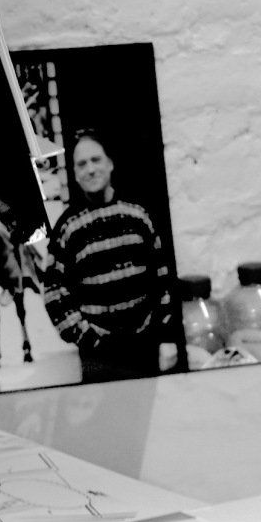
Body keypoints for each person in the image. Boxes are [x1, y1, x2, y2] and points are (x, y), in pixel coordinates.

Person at [43, 130, 178, 384]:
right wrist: (87, 338)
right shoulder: (67, 228)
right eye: (82, 164)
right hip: (98, 359)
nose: (90, 169)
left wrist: (161, 331)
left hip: (145, 349)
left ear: (110, 164)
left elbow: (163, 277)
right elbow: (53, 292)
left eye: (96, 160)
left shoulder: (137, 215)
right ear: (75, 174)